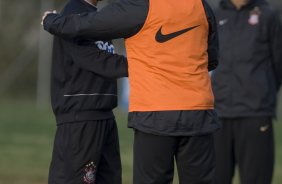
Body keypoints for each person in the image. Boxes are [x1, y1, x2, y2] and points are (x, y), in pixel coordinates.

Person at [42, 0, 220, 183]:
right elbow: (212, 59)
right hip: (199, 112)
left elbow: (87, 24)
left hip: (155, 113)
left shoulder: (141, 6)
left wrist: (52, 21)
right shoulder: (201, 6)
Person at [46, 0, 128, 184]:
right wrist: (140, 65)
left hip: (105, 117)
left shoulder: (94, 16)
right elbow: (94, 60)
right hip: (80, 119)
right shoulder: (73, 13)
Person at [211, 0, 282, 183]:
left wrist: (261, 94)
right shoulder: (214, 14)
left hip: (255, 115)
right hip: (218, 115)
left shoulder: (269, 16)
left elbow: (278, 65)